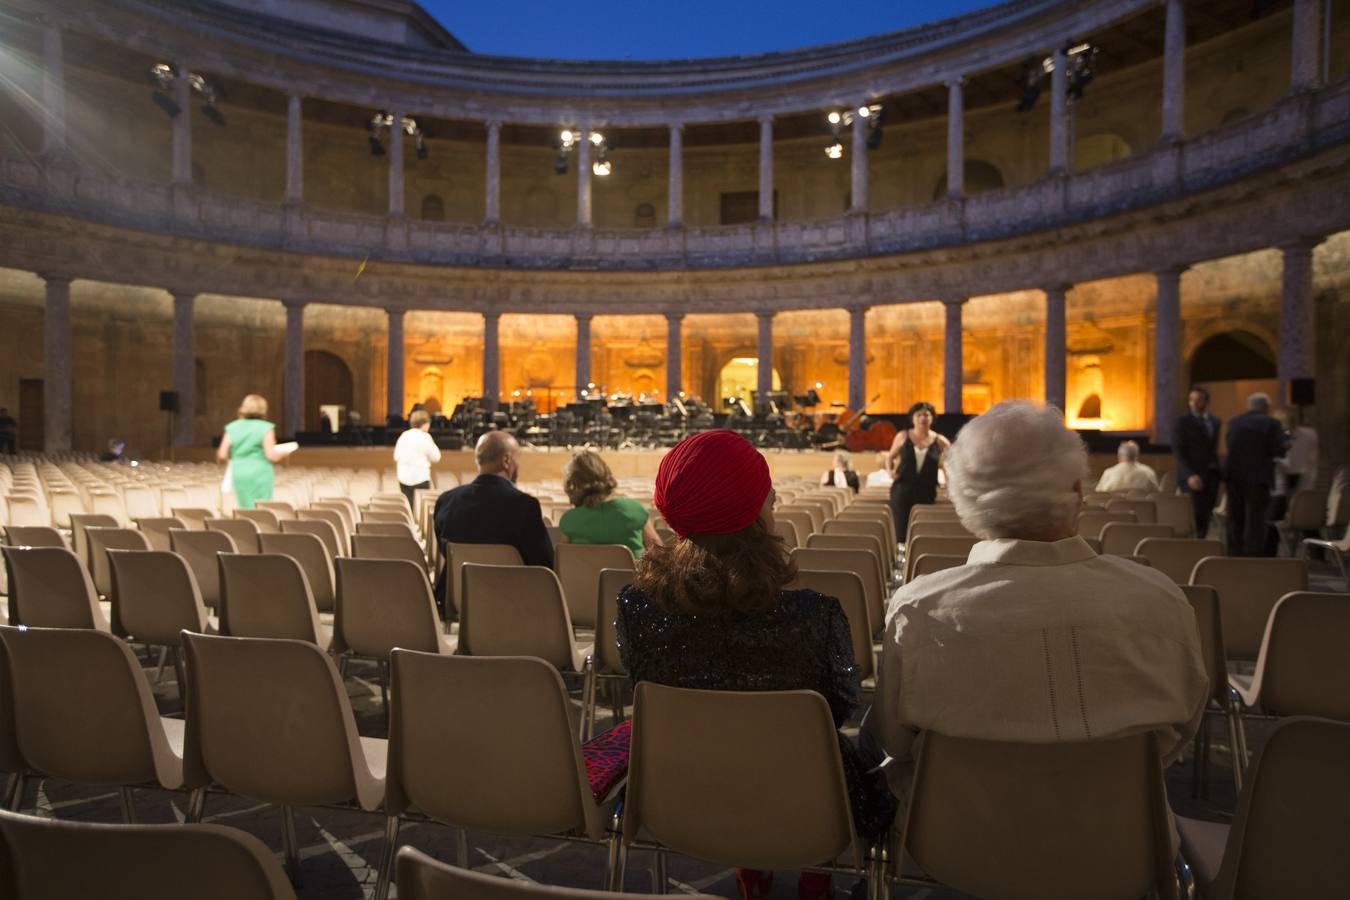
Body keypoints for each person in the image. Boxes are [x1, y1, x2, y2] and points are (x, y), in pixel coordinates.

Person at [870, 401, 1207, 812]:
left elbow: (895, 740)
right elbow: (1182, 727)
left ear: (964, 502)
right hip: (1118, 841)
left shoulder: (916, 610)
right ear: (1078, 492)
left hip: (955, 841)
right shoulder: (1162, 600)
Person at [616, 430, 895, 900]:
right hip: (805, 799)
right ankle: (814, 875)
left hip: (681, 789)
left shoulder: (635, 607)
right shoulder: (815, 614)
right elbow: (840, 704)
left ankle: (753, 871)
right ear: (757, 513)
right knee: (816, 752)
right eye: (767, 494)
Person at [433, 430, 553, 585]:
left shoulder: (446, 501)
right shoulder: (525, 506)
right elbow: (544, 566)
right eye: (518, 459)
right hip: (511, 599)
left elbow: (446, 553)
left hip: (460, 599)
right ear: (507, 461)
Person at [558, 450, 660, 558]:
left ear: (572, 484)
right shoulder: (635, 509)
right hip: (632, 575)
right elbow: (659, 555)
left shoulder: (569, 520)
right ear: (605, 473)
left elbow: (562, 562)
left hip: (583, 575)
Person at [1224, 392, 1288, 557]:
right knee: (1255, 519)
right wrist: (1286, 441)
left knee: (1235, 517)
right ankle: (1252, 556)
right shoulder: (1271, 423)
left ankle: (1234, 554)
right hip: (1258, 478)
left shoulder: (1234, 422)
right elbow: (1278, 450)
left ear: (1249, 406)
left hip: (1233, 477)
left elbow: (1230, 445)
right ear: (1266, 407)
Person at [886, 401, 950, 542]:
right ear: (913, 418)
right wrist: (890, 472)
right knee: (900, 529)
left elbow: (952, 461)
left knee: (923, 529)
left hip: (927, 490)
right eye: (919, 415)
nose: (922, 418)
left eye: (926, 415)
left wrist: (947, 480)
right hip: (903, 489)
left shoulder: (939, 440)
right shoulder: (903, 436)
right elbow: (890, 457)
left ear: (932, 418)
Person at [217, 394, 289, 510]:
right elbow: (271, 456)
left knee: (243, 505)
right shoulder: (266, 427)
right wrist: (284, 453)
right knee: (261, 508)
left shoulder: (232, 427)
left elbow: (222, 454)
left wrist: (236, 460)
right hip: (260, 472)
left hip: (239, 470)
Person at [1173, 385, 1222, 537]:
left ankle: (1203, 541)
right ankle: (1196, 547)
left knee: (1207, 513)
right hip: (1192, 475)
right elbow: (1179, 451)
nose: (1194, 403)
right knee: (1195, 515)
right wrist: (1189, 475)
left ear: (1206, 402)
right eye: (1191, 400)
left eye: (1198, 400)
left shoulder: (1215, 421)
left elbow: (1212, 448)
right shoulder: (1182, 422)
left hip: (1211, 474)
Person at [393, 410, 441, 508]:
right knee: (422, 509)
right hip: (420, 477)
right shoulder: (425, 437)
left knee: (408, 507)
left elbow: (396, 456)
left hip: (403, 477)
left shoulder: (404, 436)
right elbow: (436, 457)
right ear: (425, 424)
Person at [1094, 440, 1159, 493]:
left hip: (1116, 508)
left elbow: (1099, 495)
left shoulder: (1109, 473)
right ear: (1137, 455)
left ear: (1119, 456)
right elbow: (1156, 494)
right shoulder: (1148, 472)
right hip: (1143, 508)